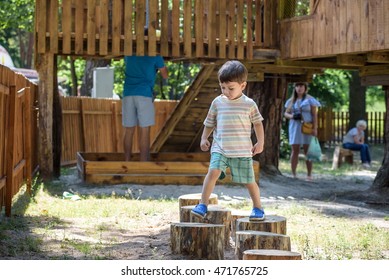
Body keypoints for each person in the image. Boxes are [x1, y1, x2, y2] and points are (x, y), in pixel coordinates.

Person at [191, 60, 266, 221]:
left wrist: (260, 142)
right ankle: (202, 204)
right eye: (222, 87)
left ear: (243, 86)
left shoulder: (249, 104)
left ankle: (258, 207)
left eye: (230, 88)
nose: (226, 91)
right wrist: (204, 138)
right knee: (213, 172)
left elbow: (258, 123)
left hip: (242, 150)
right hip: (220, 148)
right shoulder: (217, 103)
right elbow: (209, 122)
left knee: (249, 180)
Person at [122, 55, 168, 161]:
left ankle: (127, 162)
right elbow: (165, 75)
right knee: (144, 130)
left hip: (128, 94)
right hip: (144, 94)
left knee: (128, 130)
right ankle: (143, 163)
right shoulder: (155, 56)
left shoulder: (129, 54)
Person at [284, 82, 321, 180]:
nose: (299, 88)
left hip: (307, 126)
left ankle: (309, 174)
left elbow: (314, 115)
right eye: (297, 86)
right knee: (295, 149)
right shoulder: (291, 101)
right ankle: (293, 174)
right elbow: (285, 114)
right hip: (295, 126)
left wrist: (315, 128)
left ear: (305, 88)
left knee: (307, 150)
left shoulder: (310, 100)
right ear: (295, 88)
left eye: (301, 86)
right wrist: (292, 116)